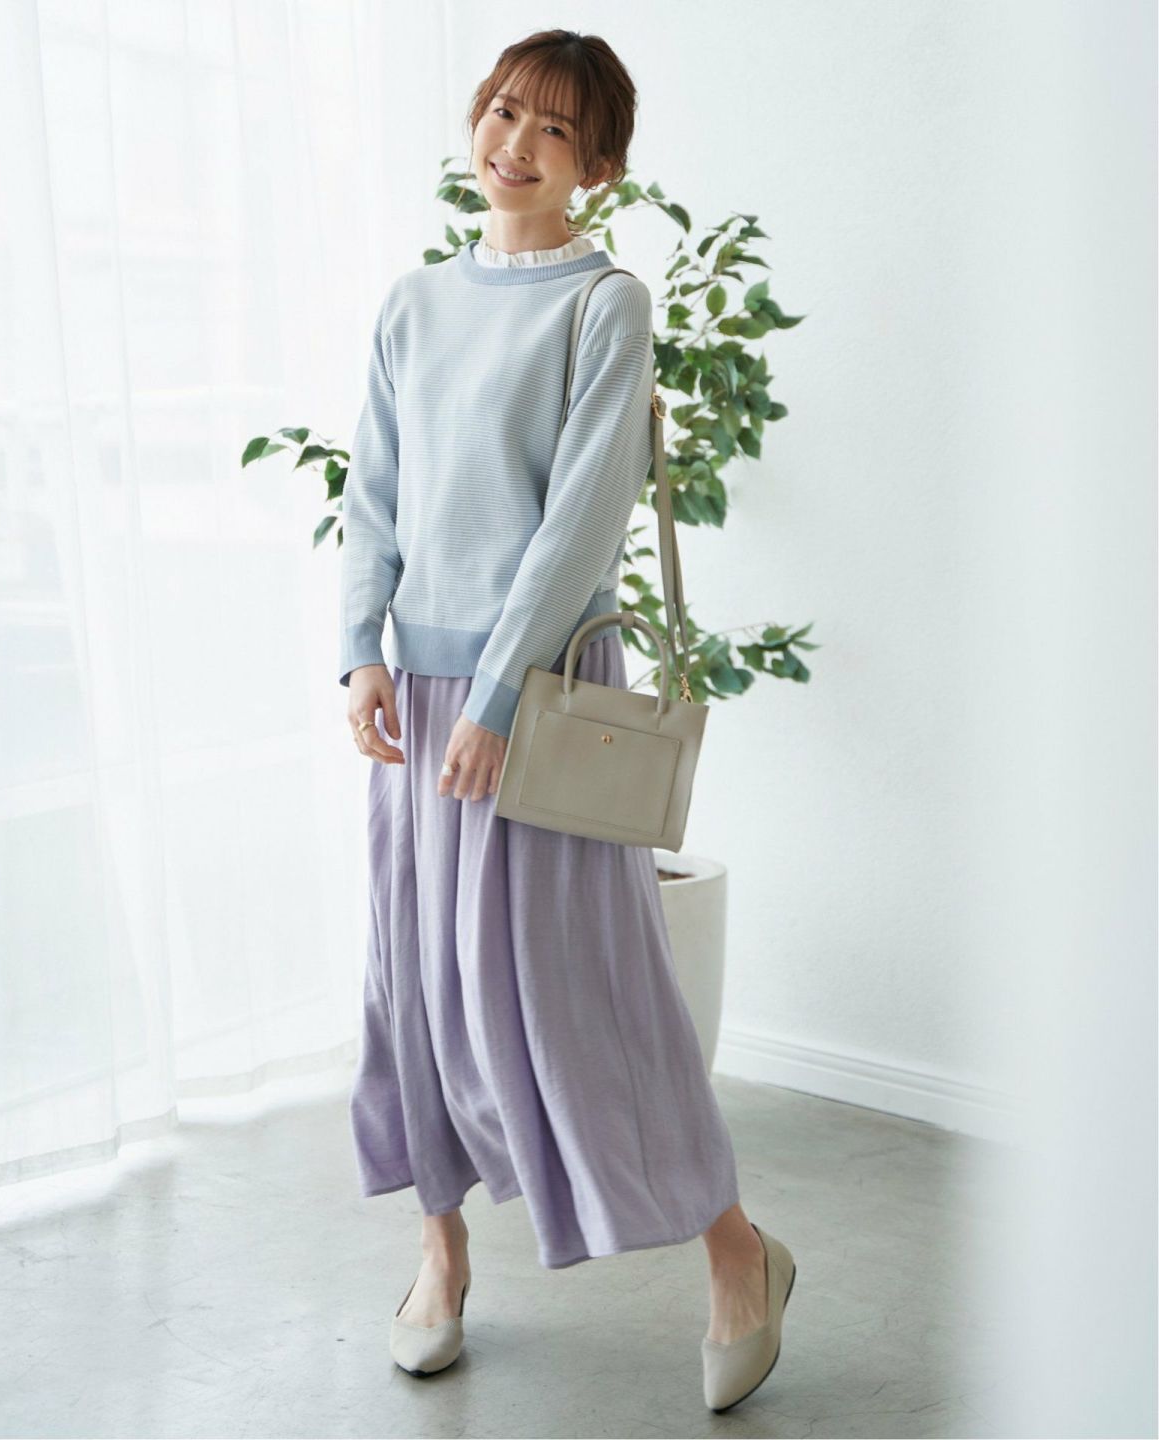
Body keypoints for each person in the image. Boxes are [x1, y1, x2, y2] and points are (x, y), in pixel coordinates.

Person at [338, 28, 796, 1414]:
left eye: (553, 128)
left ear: (596, 164)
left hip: (534, 694)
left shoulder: (606, 304)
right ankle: (439, 1256)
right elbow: (375, 488)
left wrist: (494, 696)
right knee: (418, 985)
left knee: (585, 992)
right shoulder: (414, 302)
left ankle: (739, 1255)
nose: (515, 144)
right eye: (502, 111)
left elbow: (583, 521)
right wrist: (358, 652)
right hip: (416, 695)